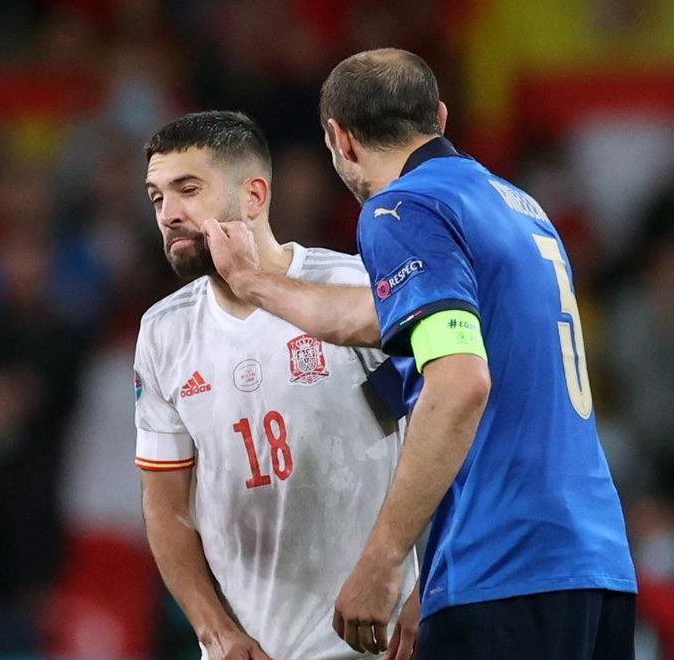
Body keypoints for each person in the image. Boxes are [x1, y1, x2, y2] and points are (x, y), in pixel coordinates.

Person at [205, 49, 638, 658]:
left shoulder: (403, 208)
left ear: (340, 139)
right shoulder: (517, 208)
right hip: (594, 566)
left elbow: (460, 381)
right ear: (438, 115)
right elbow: (377, 317)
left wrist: (383, 562)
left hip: (502, 567)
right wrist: (253, 282)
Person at [136, 111, 419, 660]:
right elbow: (165, 508)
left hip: (375, 639)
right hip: (252, 650)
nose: (169, 214)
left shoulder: (357, 290)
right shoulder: (163, 333)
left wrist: (427, 589)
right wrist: (215, 632)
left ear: (254, 195)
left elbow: (447, 440)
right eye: (156, 198)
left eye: (187, 190)